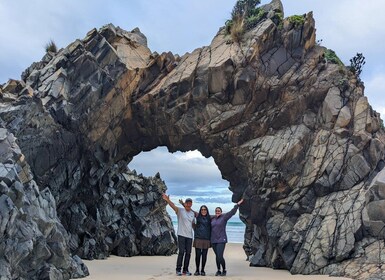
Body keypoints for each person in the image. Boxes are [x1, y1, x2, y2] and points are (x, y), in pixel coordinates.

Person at [162, 194, 194, 276]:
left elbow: (193, 225)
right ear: (185, 204)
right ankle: (178, 270)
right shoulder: (180, 211)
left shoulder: (192, 213)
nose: (189, 204)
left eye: (190, 203)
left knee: (188, 253)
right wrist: (168, 200)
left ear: (191, 204)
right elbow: (173, 206)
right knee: (181, 252)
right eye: (187, 203)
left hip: (190, 236)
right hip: (181, 235)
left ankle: (185, 270)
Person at [211, 198, 244, 276]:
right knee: (217, 256)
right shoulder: (212, 218)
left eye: (218, 211)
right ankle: (218, 270)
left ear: (221, 212)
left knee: (220, 256)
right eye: (216, 211)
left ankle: (224, 270)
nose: (217, 212)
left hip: (221, 240)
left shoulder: (224, 217)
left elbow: (232, 212)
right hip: (213, 240)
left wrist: (238, 204)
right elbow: (202, 216)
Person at [192, 205, 211, 276]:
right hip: (198, 238)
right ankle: (197, 270)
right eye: (202, 210)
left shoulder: (209, 217)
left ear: (207, 210)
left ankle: (202, 270)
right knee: (197, 255)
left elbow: (218, 215)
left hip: (206, 239)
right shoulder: (198, 216)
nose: (203, 211)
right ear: (200, 210)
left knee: (204, 256)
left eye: (205, 209)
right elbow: (191, 210)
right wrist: (183, 204)